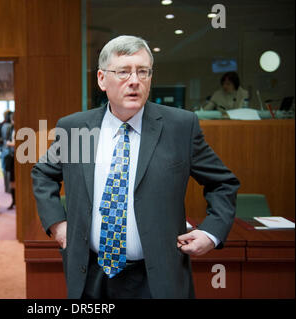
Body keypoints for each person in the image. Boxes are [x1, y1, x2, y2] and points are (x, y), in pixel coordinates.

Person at [31, 35, 240, 299]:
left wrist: (211, 232)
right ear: (101, 79)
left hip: (156, 279)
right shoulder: (76, 129)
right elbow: (43, 173)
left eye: (143, 72)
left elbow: (222, 183)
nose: (134, 81)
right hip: (90, 275)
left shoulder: (179, 127)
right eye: (123, 72)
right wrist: (57, 223)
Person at [0, 110, 14, 194]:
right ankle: (9, 189)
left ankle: (7, 188)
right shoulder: (9, 126)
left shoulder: (3, 125)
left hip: (4, 149)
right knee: (9, 170)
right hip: (8, 149)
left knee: (5, 169)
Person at [5, 112, 15, 209]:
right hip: (12, 156)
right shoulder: (11, 128)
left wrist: (12, 144)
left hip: (20, 158)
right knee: (12, 181)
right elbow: (7, 140)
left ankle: (17, 200)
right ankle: (14, 200)